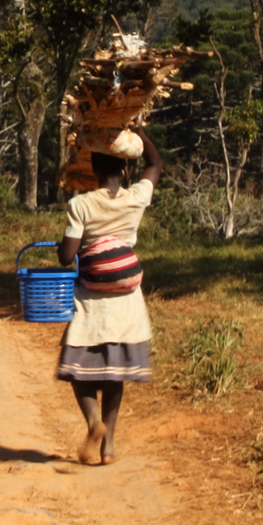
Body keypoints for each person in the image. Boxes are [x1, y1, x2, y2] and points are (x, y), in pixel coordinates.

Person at [56, 129, 162, 466]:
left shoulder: (81, 204)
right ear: (125, 171)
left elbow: (66, 256)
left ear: (95, 169)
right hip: (126, 300)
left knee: (77, 368)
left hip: (91, 299)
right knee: (115, 373)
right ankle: (110, 447)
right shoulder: (137, 197)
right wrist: (138, 131)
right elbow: (156, 165)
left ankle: (93, 423)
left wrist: (66, 243)